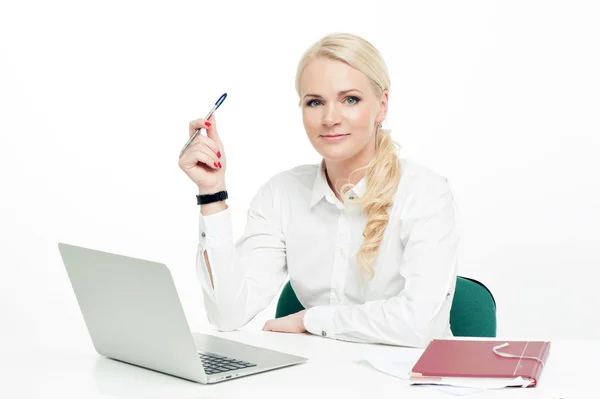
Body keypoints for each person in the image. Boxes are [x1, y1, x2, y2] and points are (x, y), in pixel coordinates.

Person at [178, 32, 460, 348]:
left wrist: (309, 320)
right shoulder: (281, 194)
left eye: (350, 99)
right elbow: (228, 314)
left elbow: (418, 324)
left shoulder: (425, 193)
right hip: (317, 380)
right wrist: (212, 192)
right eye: (315, 102)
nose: (330, 118)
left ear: (381, 106)